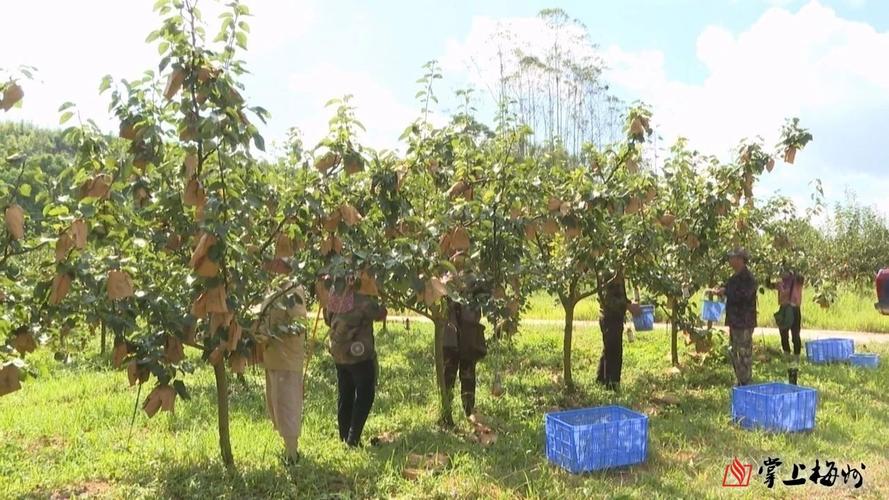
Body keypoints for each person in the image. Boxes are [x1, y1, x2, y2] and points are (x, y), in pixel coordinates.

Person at [324, 275, 387, 448]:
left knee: (345, 393)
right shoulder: (364, 300)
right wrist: (379, 294)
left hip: (339, 352)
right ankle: (353, 438)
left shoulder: (336, 296)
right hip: (359, 355)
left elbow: (327, 319)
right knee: (365, 394)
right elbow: (380, 313)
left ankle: (344, 436)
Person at [259, 282, 308, 465]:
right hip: (272, 357)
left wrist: (273, 333)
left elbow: (299, 324)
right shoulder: (271, 288)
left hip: (287, 359)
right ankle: (287, 449)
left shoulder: (293, 290)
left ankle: (292, 454)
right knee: (276, 404)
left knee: (288, 405)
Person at [443, 275, 488, 424]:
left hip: (469, 335)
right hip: (449, 337)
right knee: (447, 376)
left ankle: (469, 412)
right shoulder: (443, 273)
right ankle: (445, 412)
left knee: (468, 377)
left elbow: (487, 295)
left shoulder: (475, 277)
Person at [713, 248, 758, 386]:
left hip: (744, 321)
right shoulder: (734, 278)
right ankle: (740, 380)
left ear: (740, 259)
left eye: (732, 257)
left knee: (744, 353)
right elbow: (729, 289)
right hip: (735, 321)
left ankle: (745, 382)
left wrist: (726, 291)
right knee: (734, 351)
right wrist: (721, 290)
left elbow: (743, 296)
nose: (730, 260)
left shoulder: (748, 278)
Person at [596, 271, 642, 391]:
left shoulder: (617, 271)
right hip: (609, 316)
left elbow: (618, 296)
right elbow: (606, 299)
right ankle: (612, 386)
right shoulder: (609, 272)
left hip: (615, 316)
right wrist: (627, 306)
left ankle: (601, 381)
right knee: (614, 352)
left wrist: (628, 303)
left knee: (609, 350)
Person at [776, 271, 804, 384]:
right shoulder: (781, 282)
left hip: (794, 308)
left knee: (795, 334)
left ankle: (796, 356)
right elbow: (769, 284)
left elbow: (801, 277)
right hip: (784, 308)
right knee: (783, 334)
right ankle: (787, 355)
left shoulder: (797, 279)